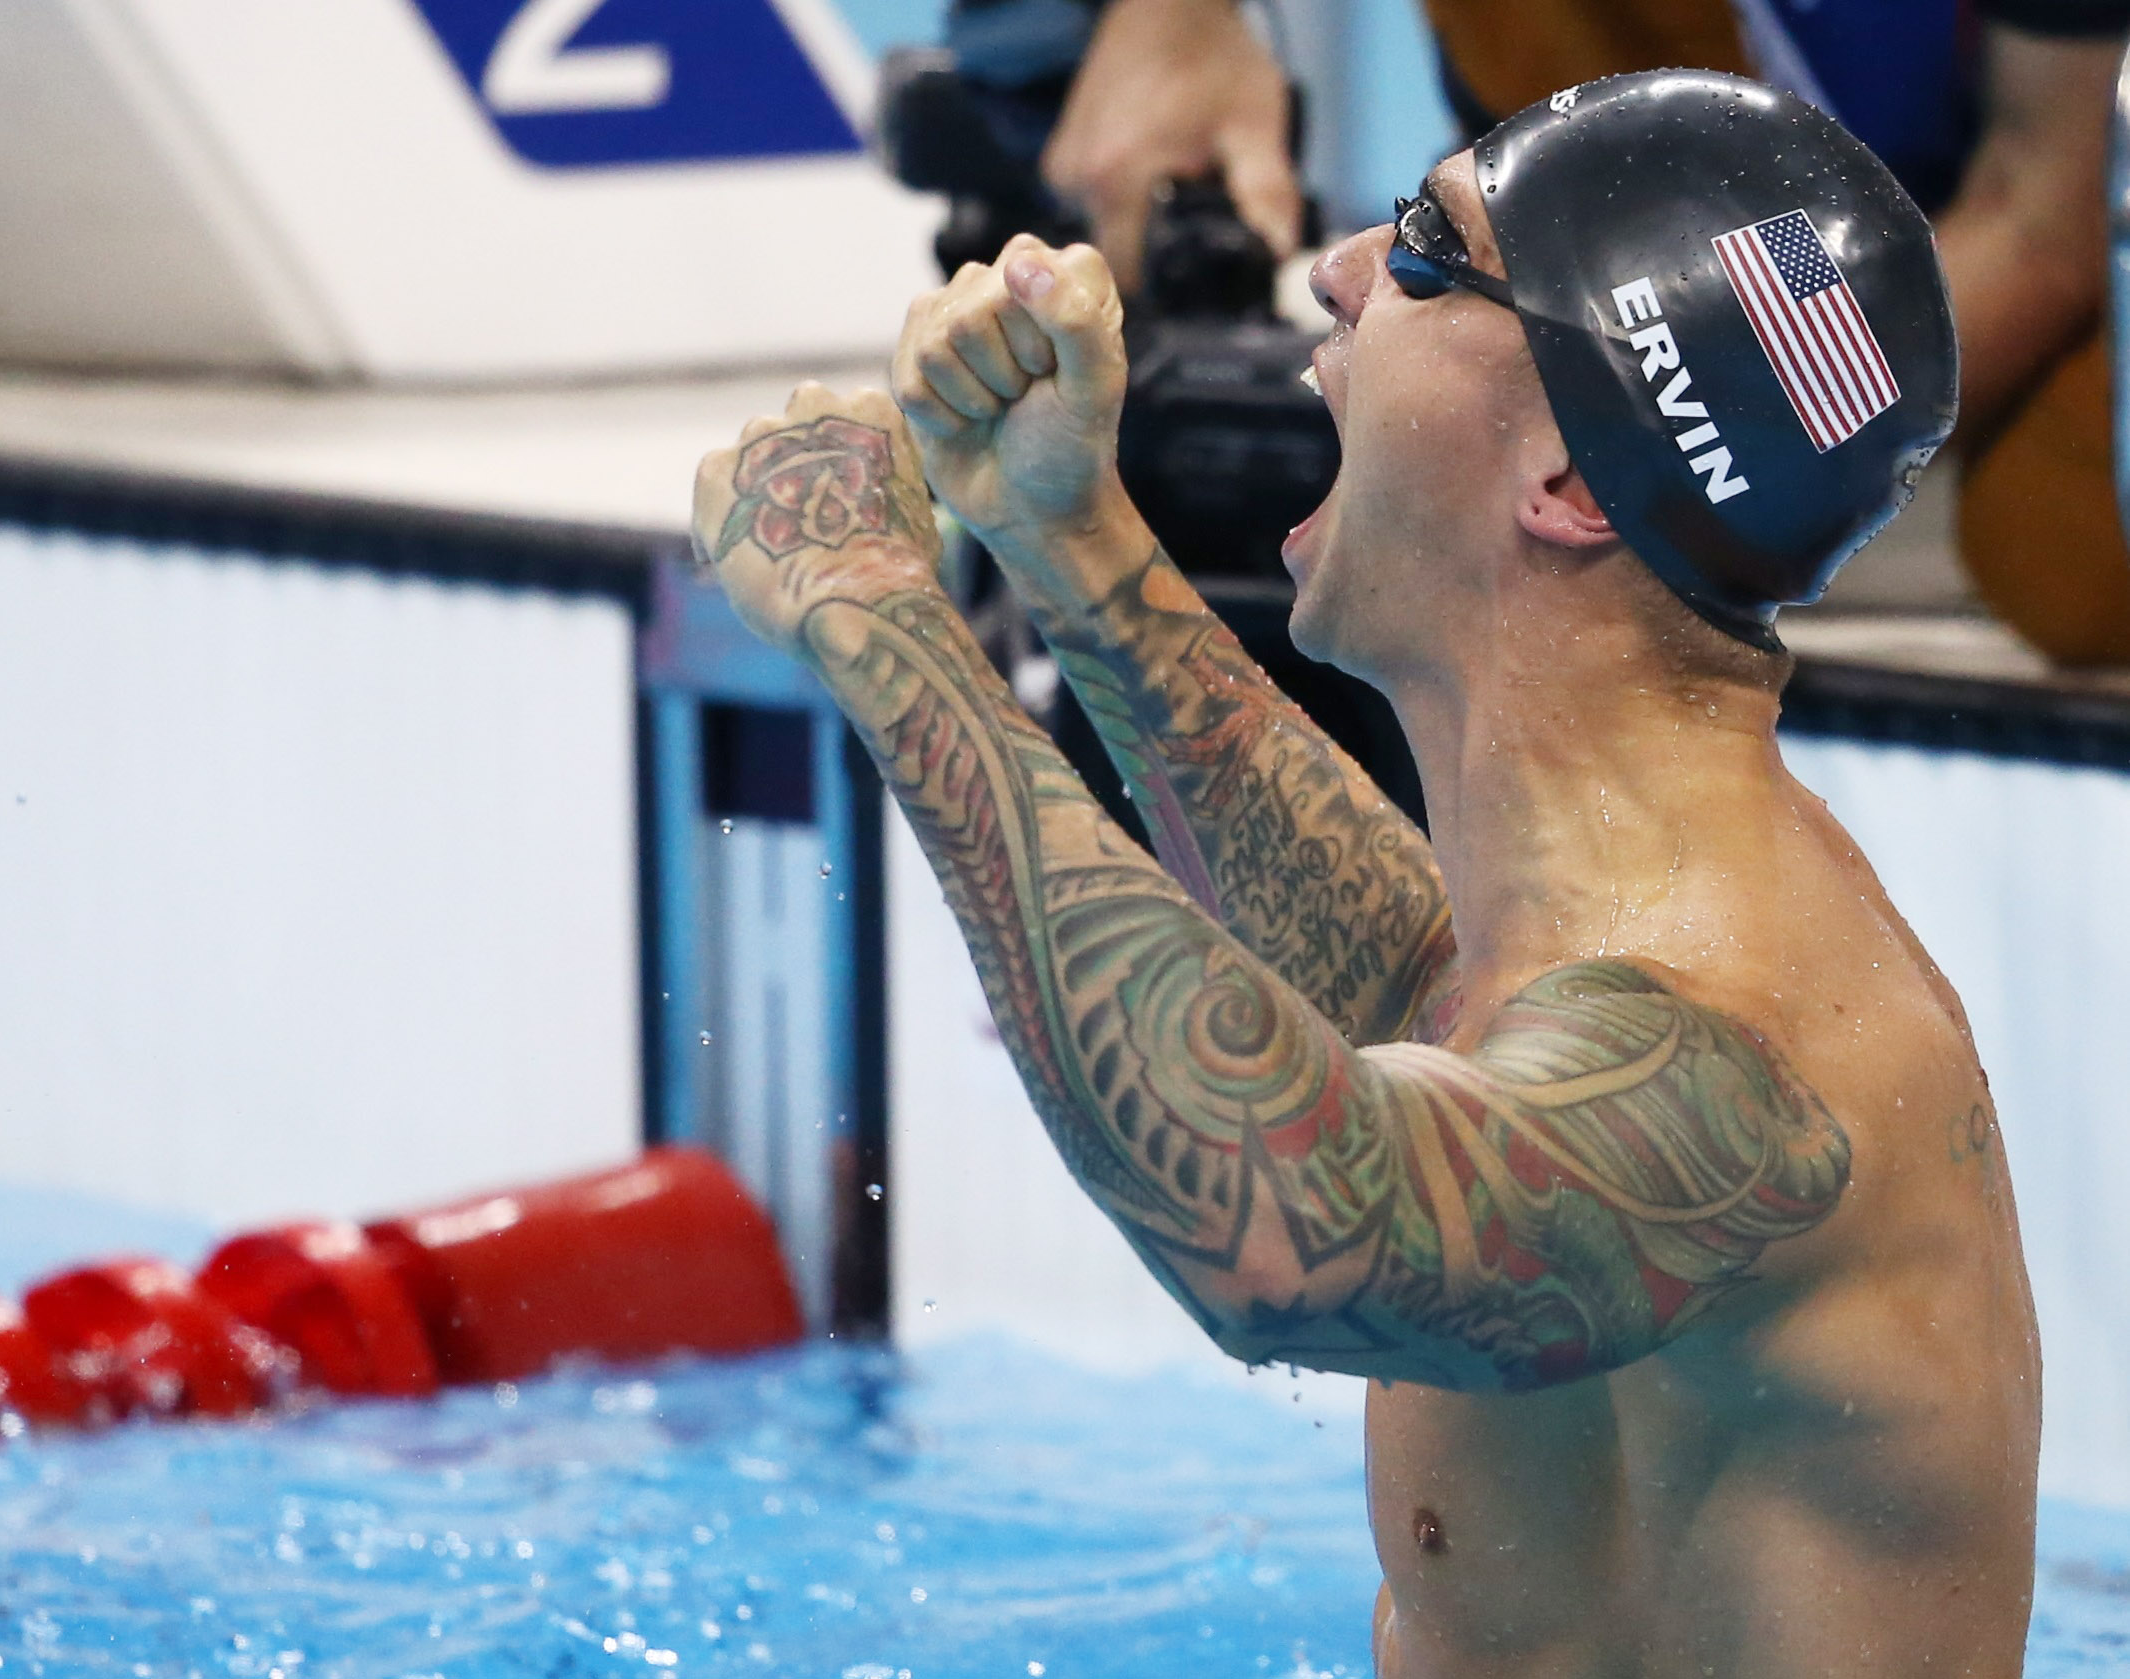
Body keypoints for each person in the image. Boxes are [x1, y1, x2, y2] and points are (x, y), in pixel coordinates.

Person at [693, 72, 2040, 1674]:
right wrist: (1068, 537)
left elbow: (1285, 1230)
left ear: (1572, 483)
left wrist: (871, 607)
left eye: (1419, 251)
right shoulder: (1596, 907)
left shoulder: (1743, 1031)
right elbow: (1415, 982)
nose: (1331, 266)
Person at [1031, 0, 2130, 663]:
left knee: (2062, 550)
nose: (1332, 272)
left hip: (1965, 230)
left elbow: (2046, 217)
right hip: (1748, 221)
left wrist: (1669, 448)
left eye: (1427, 244)